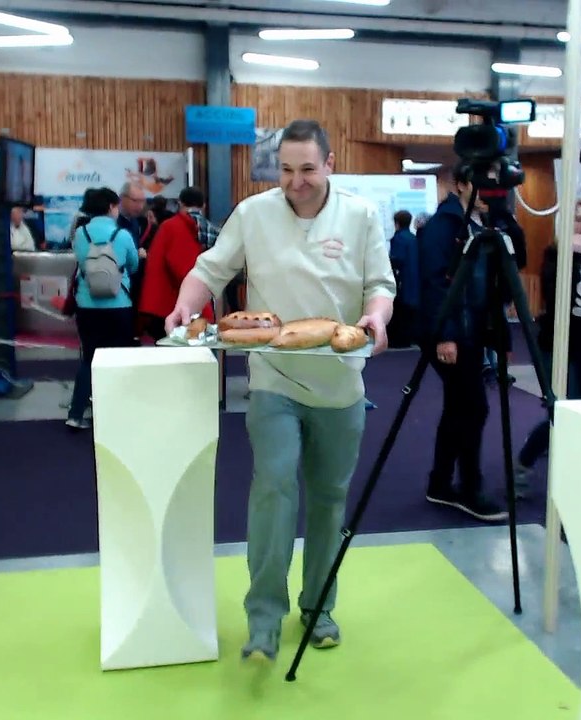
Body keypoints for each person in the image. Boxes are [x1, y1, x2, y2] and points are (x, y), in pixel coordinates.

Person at [164, 119, 396, 663]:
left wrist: (375, 318)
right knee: (272, 487)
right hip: (272, 381)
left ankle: (318, 608)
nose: (296, 181)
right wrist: (185, 304)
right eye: (287, 170)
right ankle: (263, 620)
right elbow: (210, 270)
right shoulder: (253, 214)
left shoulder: (360, 216)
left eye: (308, 169)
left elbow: (380, 286)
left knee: (328, 500)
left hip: (341, 388)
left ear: (330, 165)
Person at [415, 162, 507, 523]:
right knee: (472, 408)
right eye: (485, 184)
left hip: (473, 330)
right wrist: (446, 335)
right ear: (463, 185)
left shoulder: (482, 222)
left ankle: (441, 483)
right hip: (452, 332)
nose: (492, 191)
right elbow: (437, 282)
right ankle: (469, 488)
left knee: (460, 408)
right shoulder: (445, 225)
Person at [514, 199, 581, 499]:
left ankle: (575, 469)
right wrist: (572, 255)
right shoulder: (557, 254)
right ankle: (524, 462)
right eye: (578, 219)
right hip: (558, 346)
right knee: (566, 411)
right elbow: (556, 296)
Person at [65, 187, 141, 430]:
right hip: (119, 305)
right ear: (111, 207)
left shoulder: (80, 234)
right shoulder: (122, 234)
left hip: (86, 306)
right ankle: (115, 412)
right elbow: (133, 265)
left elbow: (80, 263)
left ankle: (76, 413)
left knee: (89, 359)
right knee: (118, 358)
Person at [137, 187, 217, 340]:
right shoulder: (208, 230)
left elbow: (180, 268)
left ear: (180, 203)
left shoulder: (170, 227)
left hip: (165, 306)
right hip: (185, 306)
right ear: (204, 205)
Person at [387, 210, 420, 347]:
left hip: (402, 281)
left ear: (396, 223)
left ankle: (398, 341)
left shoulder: (398, 238)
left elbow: (397, 259)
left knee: (399, 312)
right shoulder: (413, 238)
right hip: (414, 279)